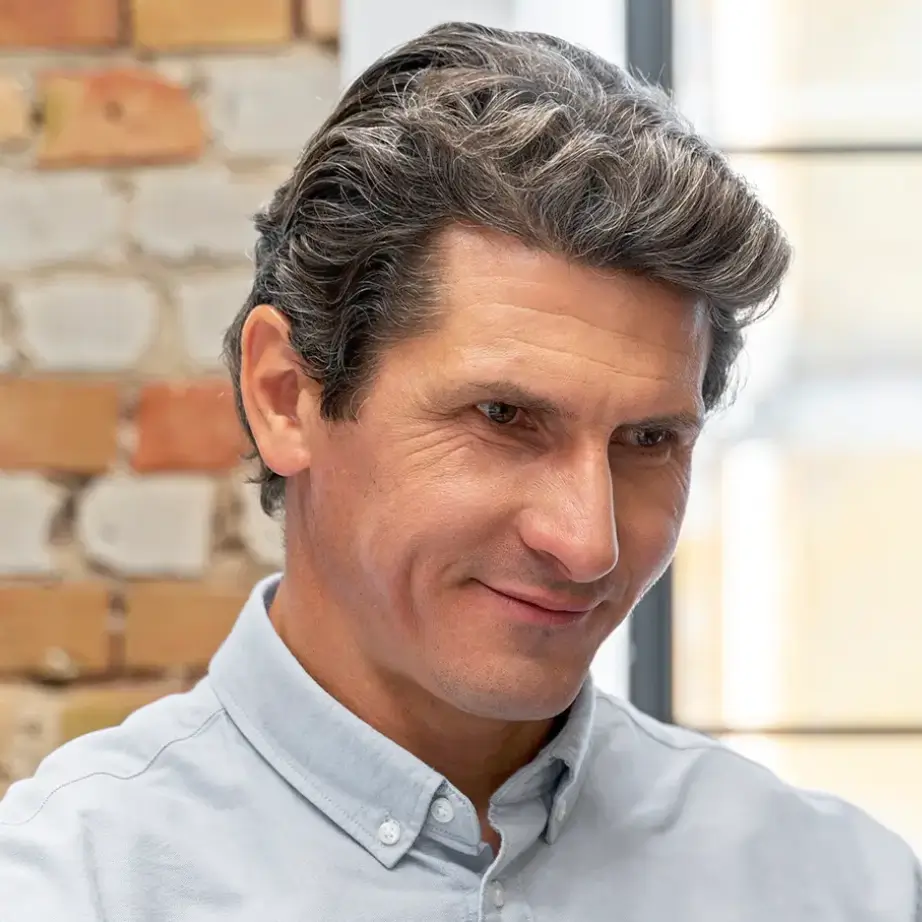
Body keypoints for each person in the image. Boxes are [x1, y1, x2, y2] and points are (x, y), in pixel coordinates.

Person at [1, 20, 918, 921]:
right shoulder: (65, 888)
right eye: (503, 418)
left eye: (649, 442)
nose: (586, 543)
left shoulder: (846, 888)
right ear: (286, 395)